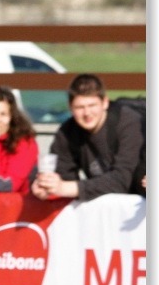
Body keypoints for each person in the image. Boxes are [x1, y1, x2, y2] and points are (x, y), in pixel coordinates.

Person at [31, 74, 144, 202]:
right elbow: (60, 171)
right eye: (79, 107)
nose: (87, 113)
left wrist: (68, 188)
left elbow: (123, 180)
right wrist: (43, 186)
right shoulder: (68, 131)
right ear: (70, 108)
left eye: (92, 105)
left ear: (105, 102)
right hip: (104, 205)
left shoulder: (128, 122)